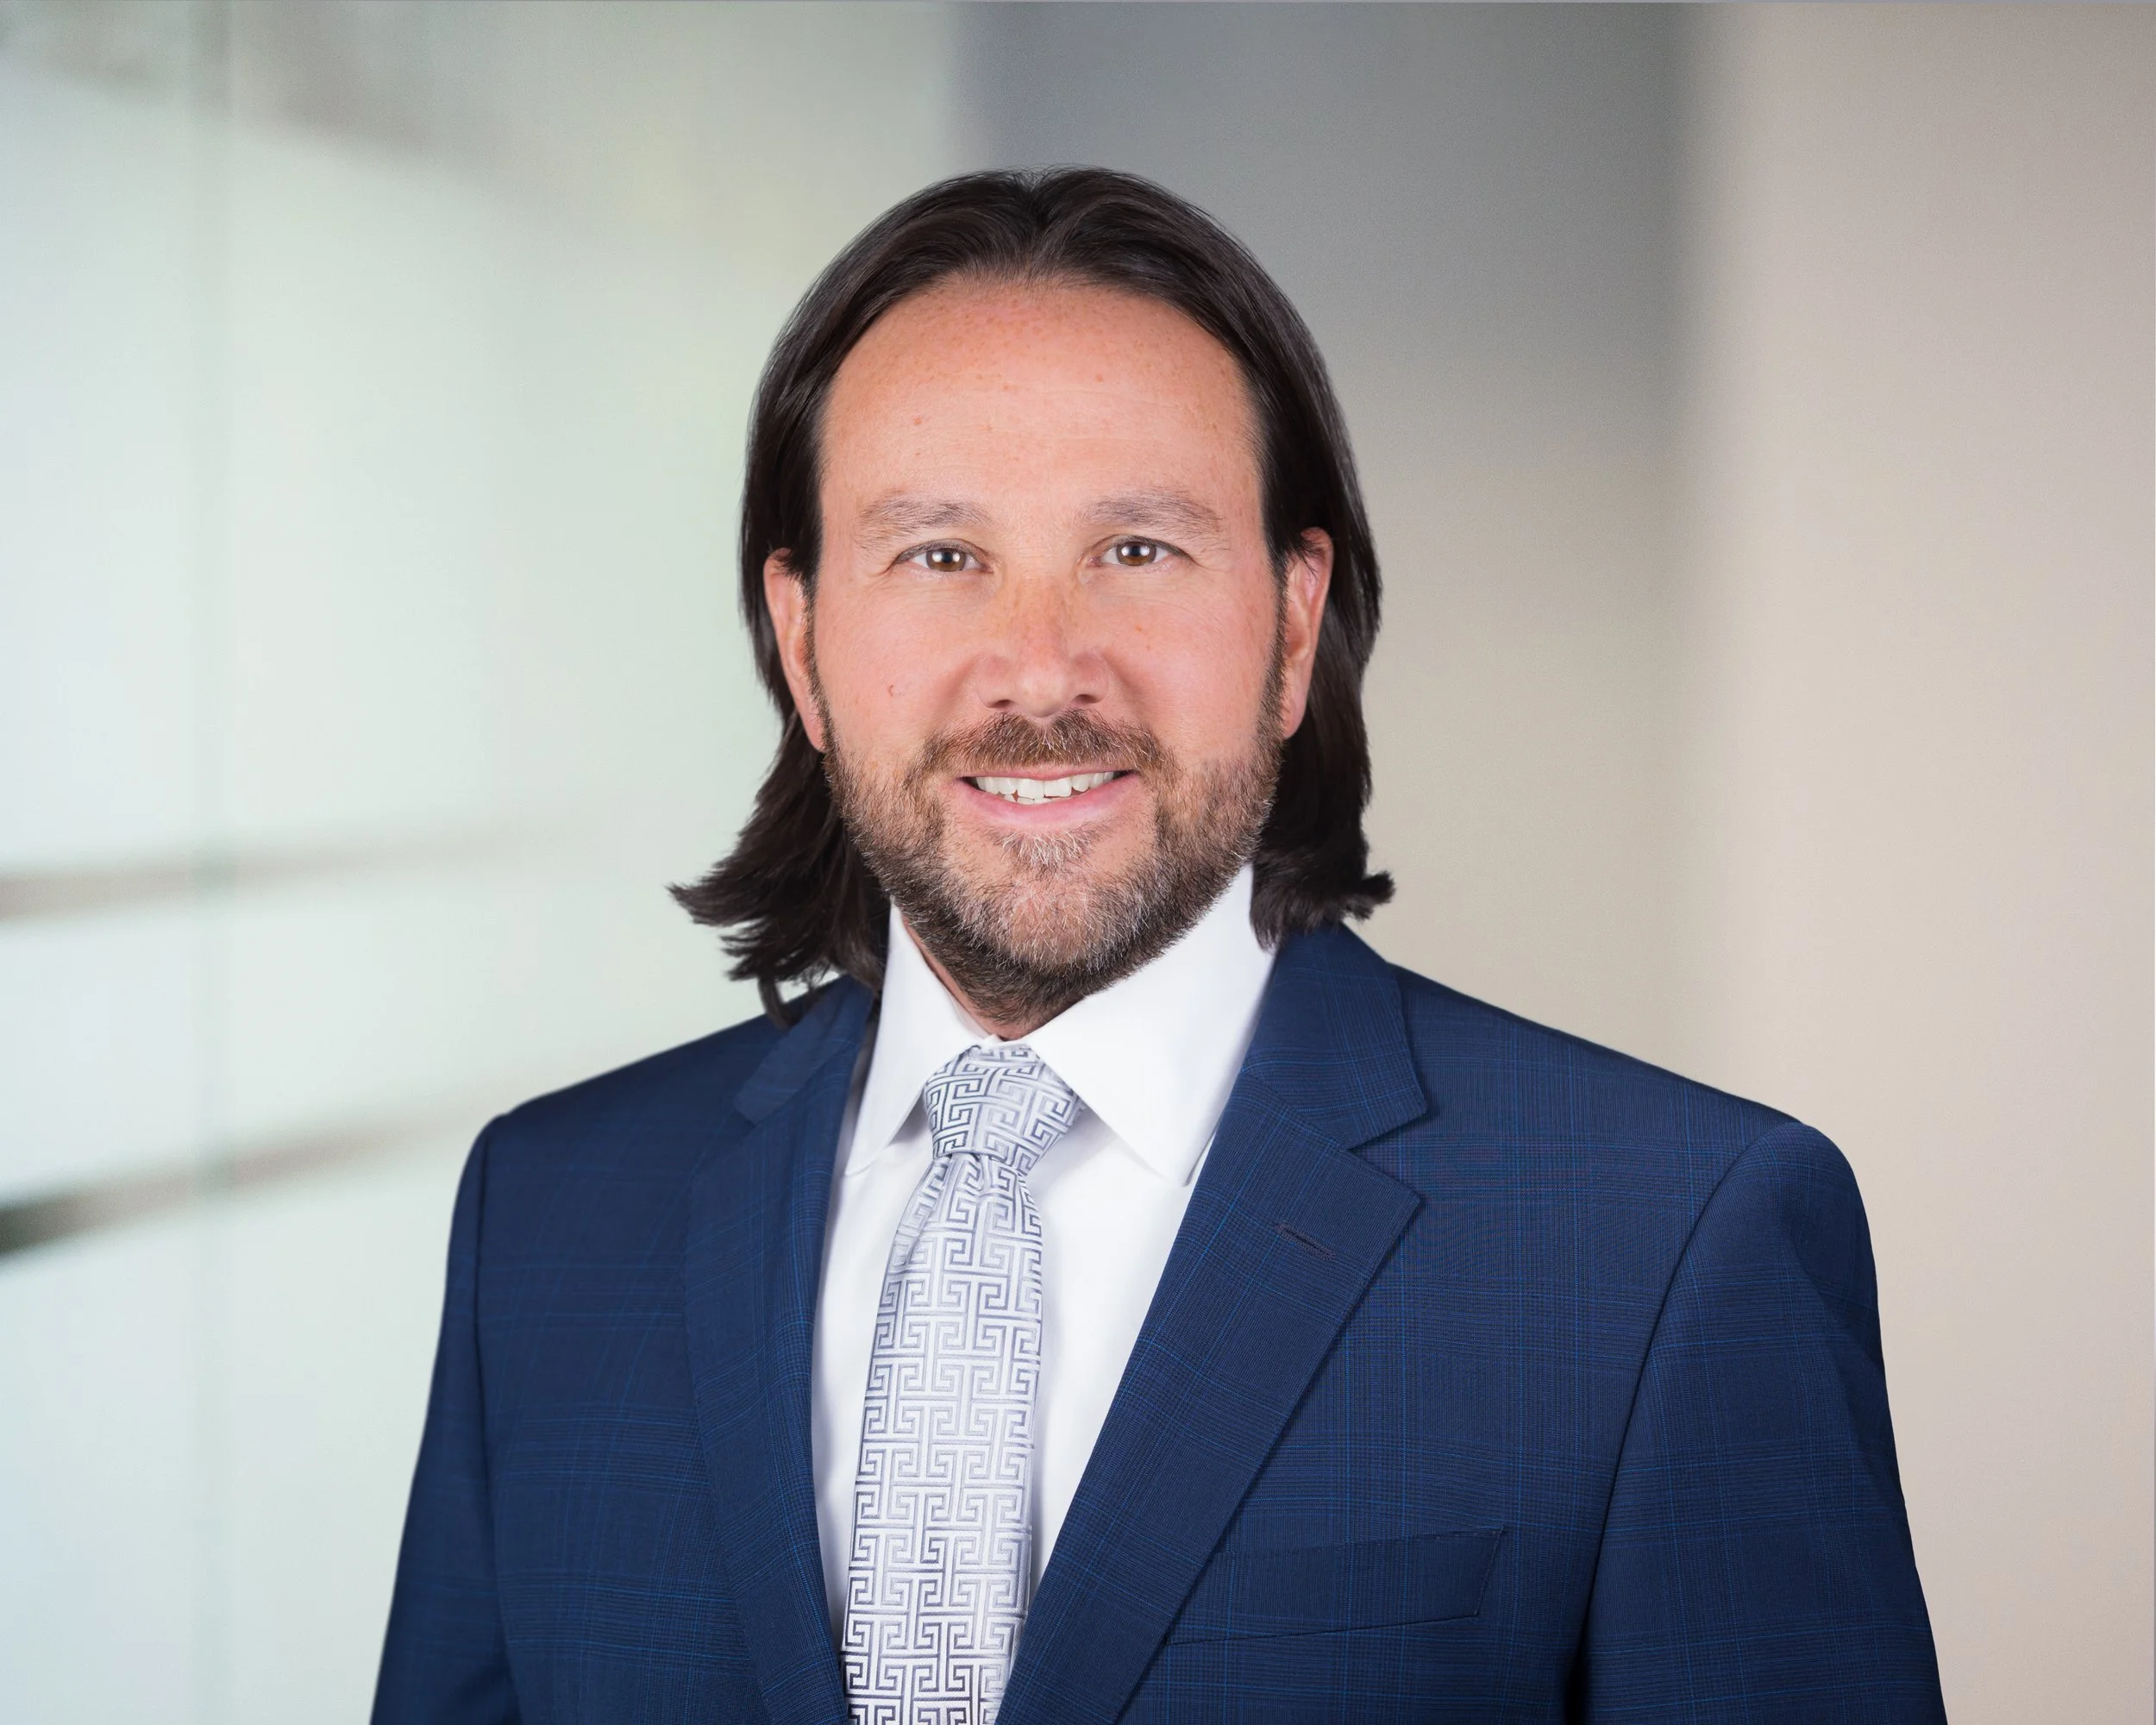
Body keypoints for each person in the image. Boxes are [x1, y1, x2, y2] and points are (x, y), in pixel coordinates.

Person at [373, 167, 1945, 1725]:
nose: (1042, 669)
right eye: (940, 554)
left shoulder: (1667, 1243)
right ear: (802, 641)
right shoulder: (550, 1220)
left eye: (1138, 549)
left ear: (1292, 623)